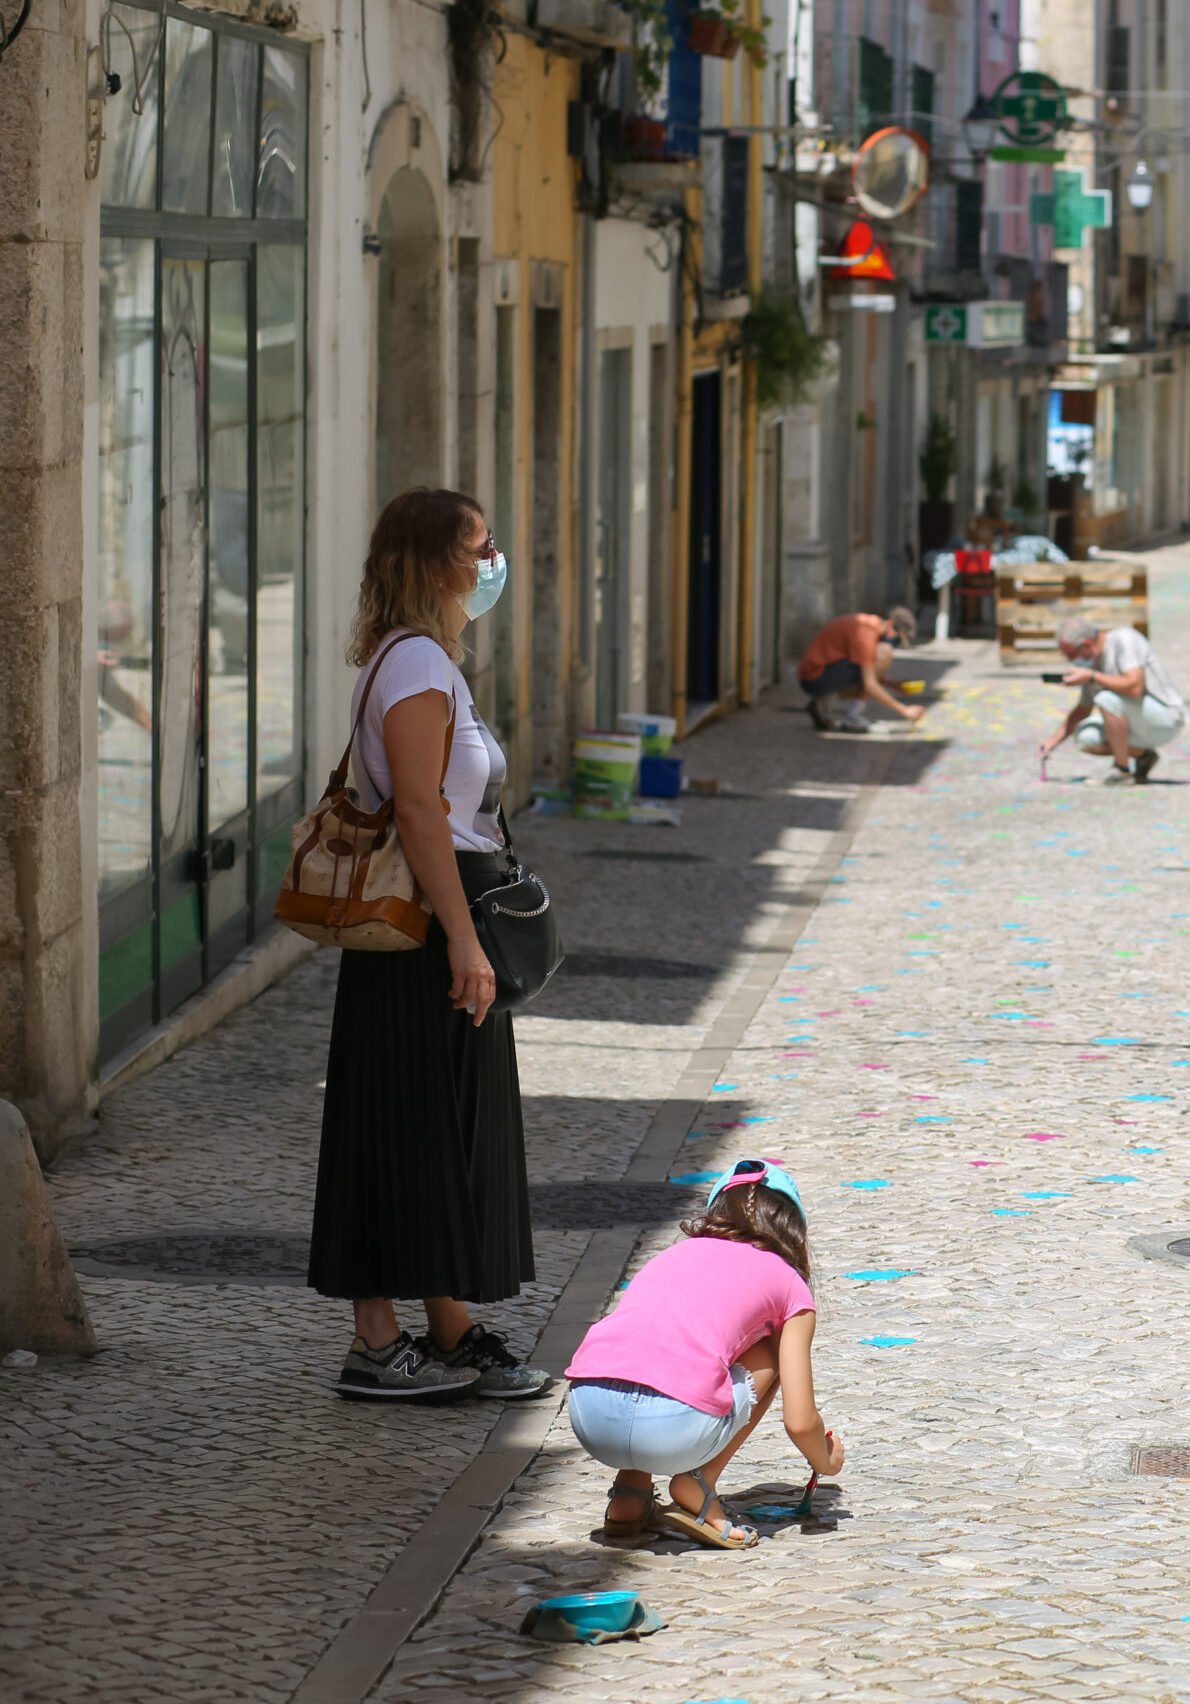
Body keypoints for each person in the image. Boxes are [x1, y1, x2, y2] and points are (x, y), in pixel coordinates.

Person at [308, 487, 547, 1403]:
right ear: (435, 565)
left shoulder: (426, 660)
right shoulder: (412, 664)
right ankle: (373, 1340)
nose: (493, 562)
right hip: (422, 928)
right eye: (479, 547)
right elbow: (417, 810)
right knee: (398, 1122)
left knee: (437, 1127)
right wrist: (462, 940)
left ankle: (448, 1329)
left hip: (442, 921)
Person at [562, 1160, 846, 1550]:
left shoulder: (671, 1256)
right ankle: (697, 1483)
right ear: (793, 1228)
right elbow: (800, 1422)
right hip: (670, 1429)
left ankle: (629, 1495)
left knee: (655, 1349)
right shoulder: (788, 1282)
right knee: (774, 1350)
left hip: (590, 1415)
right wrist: (826, 1459)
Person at [1037, 614, 1186, 783]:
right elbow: (1083, 710)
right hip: (1138, 721)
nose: (1072, 661)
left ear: (1087, 644)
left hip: (1167, 718)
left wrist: (1092, 676)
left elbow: (1135, 688)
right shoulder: (1092, 664)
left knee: (1105, 698)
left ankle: (1122, 772)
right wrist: (1051, 743)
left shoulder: (1124, 640)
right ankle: (1144, 755)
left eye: (1072, 655)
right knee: (1085, 738)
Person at [798, 607, 922, 732]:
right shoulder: (865, 632)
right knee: (884, 652)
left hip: (818, 673)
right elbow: (870, 684)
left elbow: (869, 671)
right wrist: (904, 710)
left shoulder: (870, 624)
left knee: (872, 667)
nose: (895, 642)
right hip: (815, 678)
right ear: (890, 624)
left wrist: (892, 684)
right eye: (897, 638)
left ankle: (822, 704)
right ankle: (853, 715)